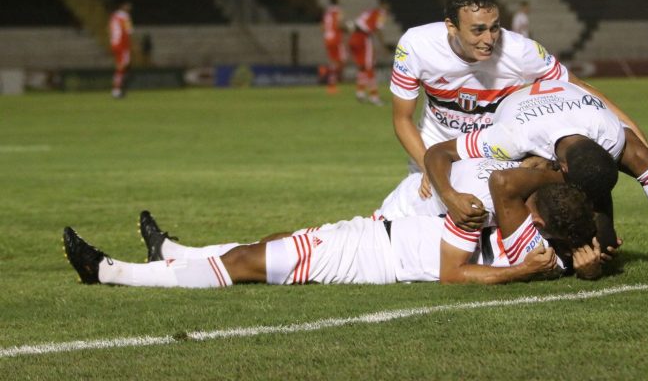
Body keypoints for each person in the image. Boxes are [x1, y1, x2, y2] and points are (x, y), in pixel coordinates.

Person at [423, 79, 648, 281]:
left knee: (605, 241)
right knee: (520, 195)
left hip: (576, 108)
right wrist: (450, 195)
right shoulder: (510, 138)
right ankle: (550, 253)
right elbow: (438, 152)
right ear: (562, 171)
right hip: (520, 110)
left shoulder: (610, 135)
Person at [62, 180, 598, 288]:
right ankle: (170, 251)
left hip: (370, 256)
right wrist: (591, 263)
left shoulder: (491, 219)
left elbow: (453, 273)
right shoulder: (549, 253)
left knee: (251, 262)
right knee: (269, 243)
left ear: (540, 217)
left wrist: (546, 169)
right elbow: (586, 259)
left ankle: (111, 272)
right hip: (372, 235)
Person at [389, 0, 648, 199]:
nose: (488, 39)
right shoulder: (416, 45)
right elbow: (402, 118)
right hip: (433, 152)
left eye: (494, 28)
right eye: (478, 30)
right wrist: (428, 167)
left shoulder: (520, 51)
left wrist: (631, 127)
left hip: (493, 153)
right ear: (451, 26)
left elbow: (577, 87)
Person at [348, 0, 389, 105]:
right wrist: (383, 45)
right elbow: (378, 29)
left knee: (362, 67)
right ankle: (374, 96)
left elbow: (355, 24)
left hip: (354, 37)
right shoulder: (381, 14)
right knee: (369, 67)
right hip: (364, 38)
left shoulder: (369, 12)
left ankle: (360, 92)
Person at [321, 0, 347, 94]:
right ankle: (329, 79)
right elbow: (338, 24)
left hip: (327, 38)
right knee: (342, 61)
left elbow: (322, 27)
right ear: (337, 1)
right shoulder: (337, 11)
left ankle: (331, 83)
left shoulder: (326, 12)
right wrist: (347, 29)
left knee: (333, 61)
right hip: (336, 39)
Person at [108, 1, 133, 98]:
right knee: (122, 67)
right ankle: (117, 89)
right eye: (128, 6)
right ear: (123, 6)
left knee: (121, 67)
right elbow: (129, 31)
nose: (129, 8)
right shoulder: (125, 16)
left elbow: (110, 30)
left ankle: (117, 88)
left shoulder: (113, 16)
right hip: (122, 44)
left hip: (114, 44)